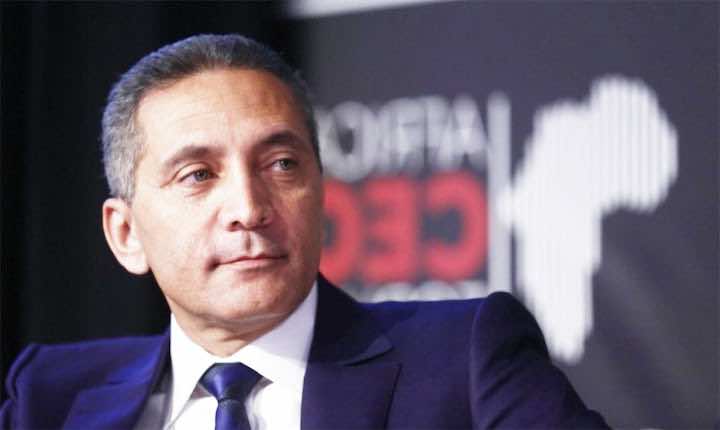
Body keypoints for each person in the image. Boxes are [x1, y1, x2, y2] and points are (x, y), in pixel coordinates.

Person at [0, 34, 609, 429]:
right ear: (126, 233)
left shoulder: (464, 359)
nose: (248, 207)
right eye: (198, 175)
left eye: (282, 164)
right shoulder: (51, 397)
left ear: (321, 192)